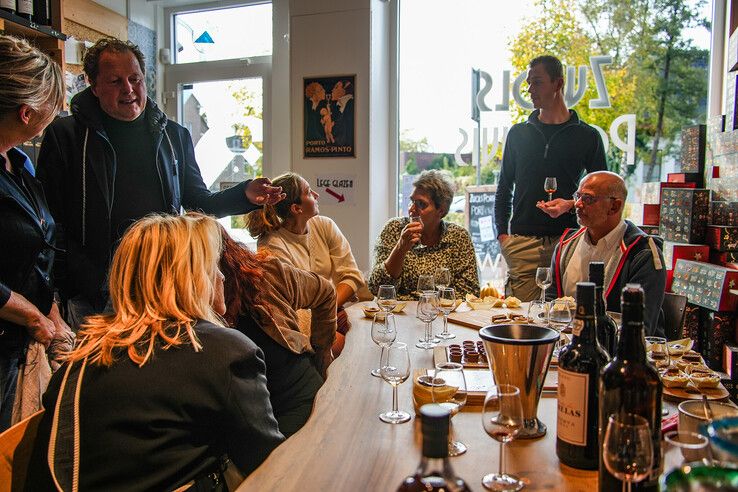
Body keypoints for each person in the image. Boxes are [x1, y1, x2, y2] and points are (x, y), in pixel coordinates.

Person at [25, 214, 284, 490]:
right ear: (194, 276)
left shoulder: (79, 361)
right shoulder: (226, 352)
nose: (221, 276)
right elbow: (272, 466)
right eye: (214, 265)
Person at [36, 37, 285, 325]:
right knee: (101, 368)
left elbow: (199, 203)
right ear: (93, 85)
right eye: (116, 81)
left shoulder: (174, 136)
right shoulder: (66, 135)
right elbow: (51, 219)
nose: (128, 89)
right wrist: (74, 277)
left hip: (162, 283)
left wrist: (244, 195)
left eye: (135, 79)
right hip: (94, 290)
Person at [0, 34, 72, 432]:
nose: (55, 114)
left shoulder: (20, 163)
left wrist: (52, 310)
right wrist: (31, 315)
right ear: (27, 113)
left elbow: (40, 248)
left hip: (23, 344)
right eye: (51, 106)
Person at [495, 55, 607, 302]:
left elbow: (603, 194)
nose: (529, 89)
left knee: (566, 318)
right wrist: (503, 237)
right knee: (520, 321)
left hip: (570, 241)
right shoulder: (518, 134)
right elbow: (504, 189)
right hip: (522, 243)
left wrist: (570, 203)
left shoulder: (587, 136)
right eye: (529, 83)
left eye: (537, 82)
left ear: (558, 84)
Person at [218, 223, 337, 437]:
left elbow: (326, 292)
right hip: (248, 423)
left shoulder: (266, 274)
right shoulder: (192, 302)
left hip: (297, 403)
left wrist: (321, 353)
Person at [245, 172, 365, 351]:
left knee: (369, 338)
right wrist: (325, 316)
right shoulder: (272, 244)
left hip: (334, 310)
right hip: (301, 322)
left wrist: (327, 310)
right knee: (355, 348)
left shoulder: (325, 225)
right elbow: (293, 306)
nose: (316, 195)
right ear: (296, 208)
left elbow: (352, 276)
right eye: (309, 192)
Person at [546, 171, 666, 336]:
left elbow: (640, 330)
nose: (578, 204)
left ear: (614, 206)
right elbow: (549, 304)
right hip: (568, 349)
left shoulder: (643, 253)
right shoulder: (566, 245)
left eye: (588, 199)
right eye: (577, 196)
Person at [368, 170, 480, 300]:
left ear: (441, 211)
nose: (411, 210)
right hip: (399, 316)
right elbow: (376, 288)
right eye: (412, 202)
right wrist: (401, 248)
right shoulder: (394, 229)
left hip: (441, 316)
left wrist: (427, 306)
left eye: (421, 204)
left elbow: (470, 292)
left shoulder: (458, 237)